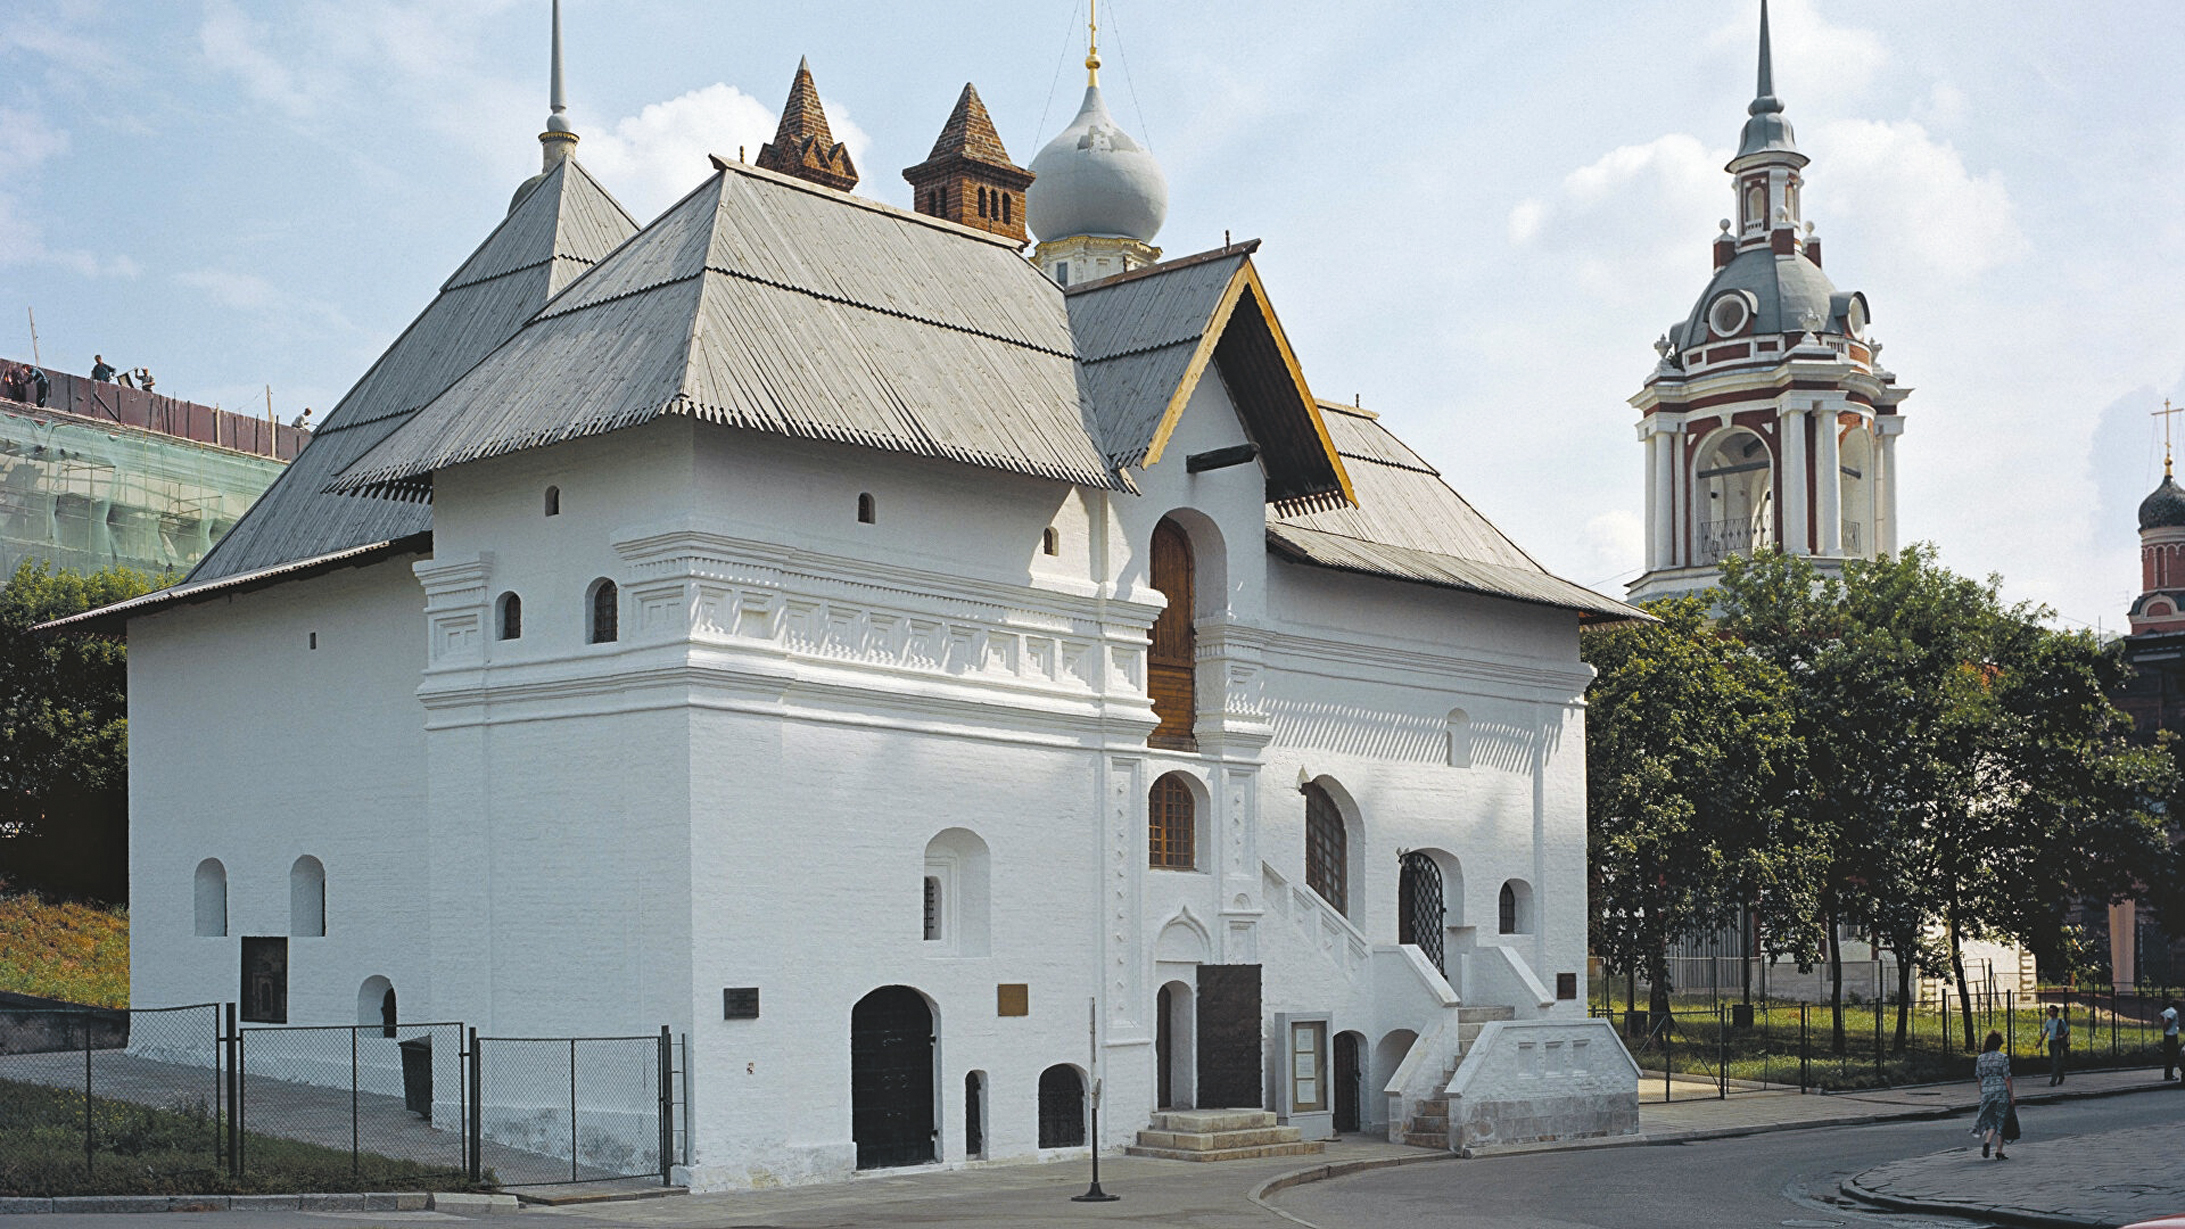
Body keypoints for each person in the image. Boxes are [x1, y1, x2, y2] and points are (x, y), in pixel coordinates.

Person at [1973, 1030, 2013, 1159]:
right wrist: (2011, 1095)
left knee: (1991, 1120)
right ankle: (1999, 1151)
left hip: (1986, 1091)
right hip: (2001, 1091)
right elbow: (2007, 1077)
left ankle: (1987, 1142)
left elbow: (1979, 1078)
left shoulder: (1980, 1058)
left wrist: (1983, 1093)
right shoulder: (2003, 1057)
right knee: (2001, 1119)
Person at [2040, 1004, 2070, 1086]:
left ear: (2056, 1012)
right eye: (2049, 1011)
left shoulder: (2061, 1021)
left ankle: (2053, 1080)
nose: (2050, 1012)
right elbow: (2045, 1032)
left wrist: (2061, 1036)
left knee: (2055, 1061)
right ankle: (2061, 1075)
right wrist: (2040, 1041)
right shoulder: (2048, 1022)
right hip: (2051, 1042)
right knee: (2054, 1060)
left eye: (2052, 1011)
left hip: (2058, 1043)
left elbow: (2067, 1031)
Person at [2164, 999, 2180, 1081]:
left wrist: (2164, 1028)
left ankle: (2167, 1074)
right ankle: (2169, 1075)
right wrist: (2166, 1027)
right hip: (2172, 1035)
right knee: (2172, 1055)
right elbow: (2168, 1021)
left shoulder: (2167, 1011)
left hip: (2167, 1035)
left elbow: (2161, 1016)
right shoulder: (2173, 1012)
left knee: (2168, 1056)